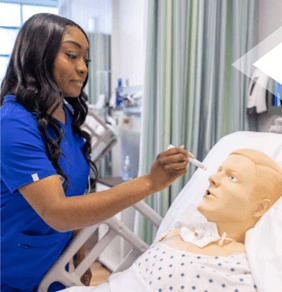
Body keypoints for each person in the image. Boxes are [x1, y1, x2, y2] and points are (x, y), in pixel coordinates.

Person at [0, 13, 192, 292]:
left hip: (53, 269)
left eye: (85, 59)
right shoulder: (12, 124)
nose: (82, 68)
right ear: (38, 56)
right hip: (12, 273)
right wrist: (150, 182)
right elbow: (58, 211)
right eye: (71, 55)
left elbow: (74, 191)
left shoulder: (64, 114)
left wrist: (79, 251)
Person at [62, 148, 282, 292]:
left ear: (261, 207)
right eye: (218, 171)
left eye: (232, 177)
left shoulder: (243, 267)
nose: (213, 178)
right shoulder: (180, 232)